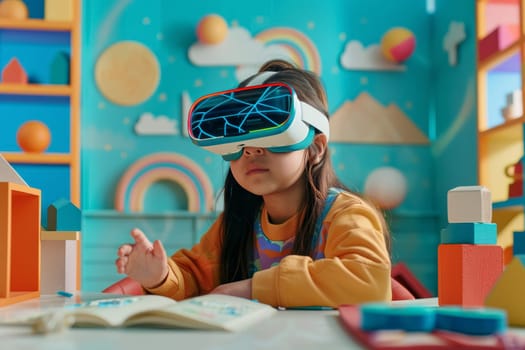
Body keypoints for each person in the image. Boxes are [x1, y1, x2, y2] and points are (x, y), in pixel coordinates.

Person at [115, 59, 392, 308]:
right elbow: (192, 278)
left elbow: (371, 282)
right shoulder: (237, 223)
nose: (251, 149)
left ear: (316, 148)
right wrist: (160, 276)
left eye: (272, 128)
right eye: (237, 135)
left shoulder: (347, 216)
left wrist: (250, 290)